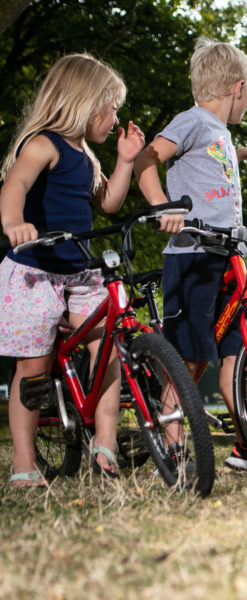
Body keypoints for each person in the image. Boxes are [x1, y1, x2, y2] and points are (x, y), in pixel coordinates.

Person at [0, 53, 145, 486]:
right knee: (33, 369)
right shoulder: (43, 144)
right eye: (111, 107)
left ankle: (105, 445)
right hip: (34, 270)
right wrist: (13, 222)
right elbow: (15, 184)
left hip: (79, 272)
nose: (115, 117)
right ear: (84, 102)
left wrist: (124, 161)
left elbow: (108, 203)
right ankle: (23, 464)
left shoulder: (87, 157)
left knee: (108, 345)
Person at [134, 37, 247, 472]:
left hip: (228, 254)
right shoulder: (190, 121)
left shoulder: (219, 134)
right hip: (193, 255)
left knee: (237, 353)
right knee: (188, 357)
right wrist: (162, 207)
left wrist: (243, 152)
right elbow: (146, 159)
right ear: (237, 88)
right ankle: (171, 450)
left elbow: (211, 159)